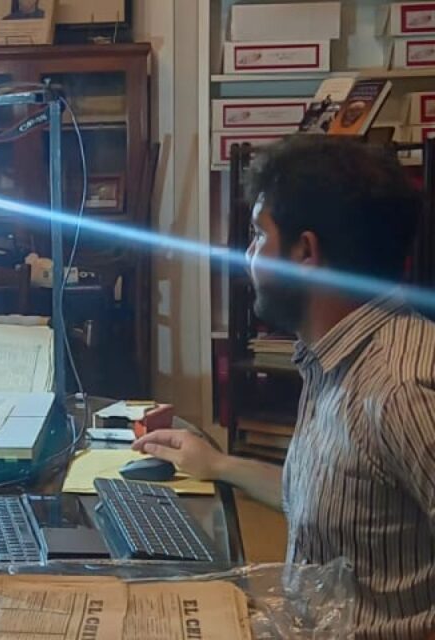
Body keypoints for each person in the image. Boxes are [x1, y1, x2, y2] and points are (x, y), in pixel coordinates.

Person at [134, 135, 435, 639]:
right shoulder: (335, 358)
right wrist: (218, 465)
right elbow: (335, 503)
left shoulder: (403, 388)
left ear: (305, 251)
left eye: (258, 236)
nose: (247, 257)